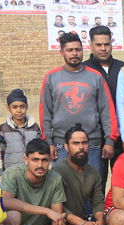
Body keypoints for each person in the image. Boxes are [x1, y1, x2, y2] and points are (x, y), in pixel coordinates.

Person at [40, 32, 115, 175]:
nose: (74, 53)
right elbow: (45, 113)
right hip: (61, 145)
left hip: (91, 143)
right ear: (62, 52)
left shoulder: (96, 77)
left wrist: (109, 140)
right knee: (61, 185)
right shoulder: (51, 77)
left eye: (78, 49)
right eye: (70, 50)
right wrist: (48, 142)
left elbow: (106, 111)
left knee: (92, 185)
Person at [2, 138, 80, 225]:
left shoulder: (54, 178)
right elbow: (5, 201)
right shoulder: (12, 174)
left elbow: (57, 214)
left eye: (44, 160)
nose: (40, 165)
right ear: (26, 159)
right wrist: (46, 211)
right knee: (13, 216)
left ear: (50, 160)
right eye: (35, 160)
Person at [54, 124, 107, 225]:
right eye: (76, 143)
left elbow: (97, 201)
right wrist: (83, 223)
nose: (81, 147)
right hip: (59, 222)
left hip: (78, 222)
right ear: (66, 147)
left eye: (84, 143)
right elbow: (57, 208)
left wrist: (100, 222)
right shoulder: (57, 172)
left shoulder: (93, 171)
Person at [85, 24, 124, 185]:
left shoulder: (123, 69)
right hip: (95, 138)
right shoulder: (84, 70)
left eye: (106, 44)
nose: (103, 48)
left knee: (123, 182)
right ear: (91, 45)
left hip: (122, 137)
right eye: (98, 44)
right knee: (96, 184)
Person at [0, 88, 43, 173]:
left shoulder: (35, 128)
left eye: (22, 106)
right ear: (8, 108)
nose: (19, 110)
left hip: (31, 174)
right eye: (14, 107)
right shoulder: (4, 130)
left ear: (27, 107)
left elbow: (40, 152)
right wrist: (1, 177)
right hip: (11, 175)